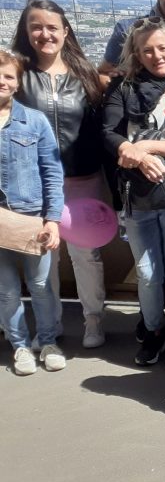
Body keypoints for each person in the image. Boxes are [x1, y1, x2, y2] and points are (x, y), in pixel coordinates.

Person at [102, 18, 165, 368]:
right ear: (136, 53)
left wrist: (146, 148)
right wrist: (138, 155)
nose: (157, 55)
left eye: (163, 48)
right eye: (148, 50)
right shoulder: (123, 87)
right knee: (147, 272)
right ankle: (153, 328)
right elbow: (109, 133)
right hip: (137, 194)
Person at [12, 0, 109, 349]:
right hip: (33, 183)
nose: (44, 34)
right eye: (36, 26)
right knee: (43, 258)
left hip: (83, 179)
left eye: (52, 27)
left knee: (86, 254)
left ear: (65, 31)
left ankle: (93, 319)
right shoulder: (17, 76)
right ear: (25, 31)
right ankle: (49, 325)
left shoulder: (85, 75)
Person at [0, 49, 65, 375]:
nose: (2, 81)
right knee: (6, 290)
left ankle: (48, 340)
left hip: (31, 218)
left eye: (8, 75)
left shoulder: (35, 121)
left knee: (41, 286)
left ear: (17, 82)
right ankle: (20, 346)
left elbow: (52, 173)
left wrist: (53, 220)